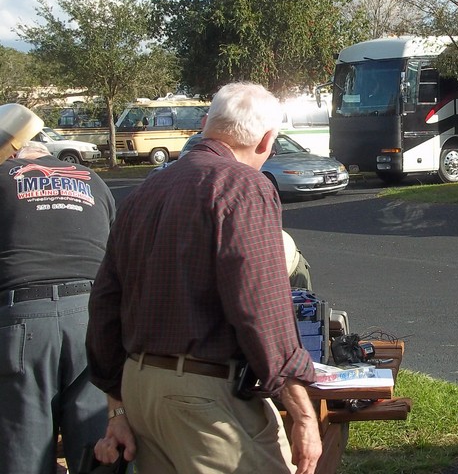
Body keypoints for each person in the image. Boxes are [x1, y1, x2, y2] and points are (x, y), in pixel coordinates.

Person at [87, 82, 322, 474]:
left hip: (141, 387)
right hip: (203, 396)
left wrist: (119, 405)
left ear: (205, 124)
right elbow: (259, 306)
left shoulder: (146, 190)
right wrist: (302, 412)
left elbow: (105, 302)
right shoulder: (244, 186)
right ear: (266, 141)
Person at [0, 140, 115, 473]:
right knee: (97, 448)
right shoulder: (93, 180)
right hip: (90, 317)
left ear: (13, 154)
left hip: (23, 321)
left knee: (25, 450)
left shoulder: (4, 176)